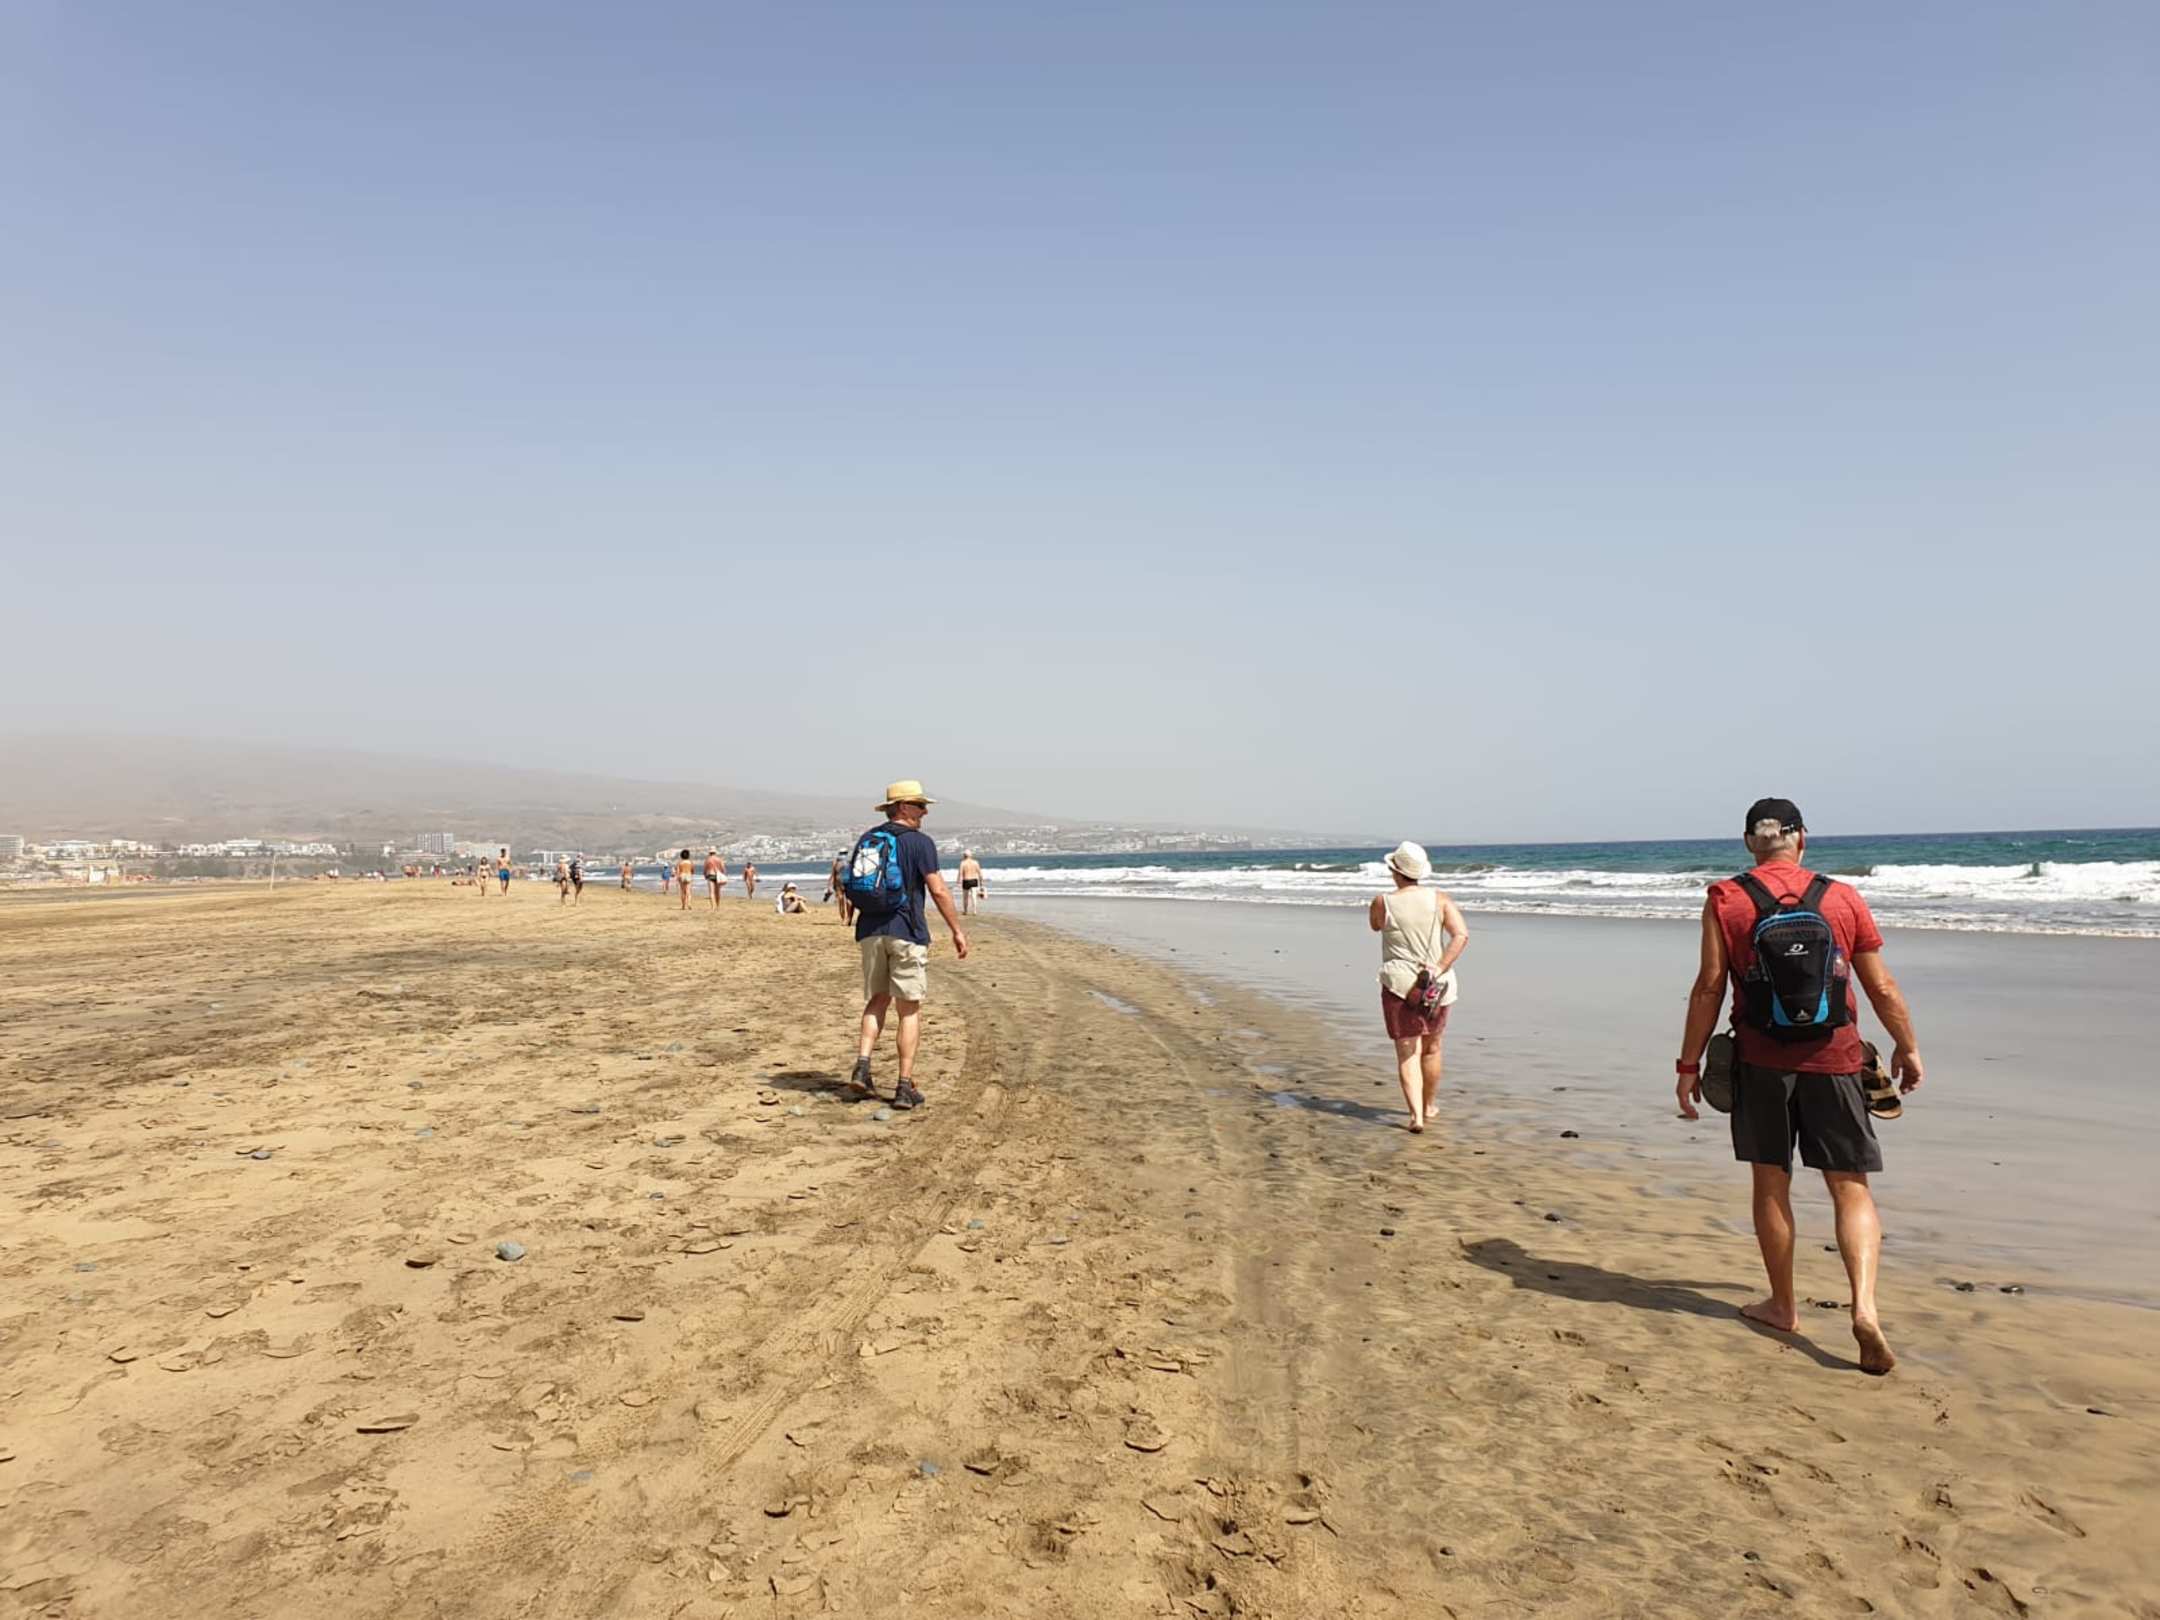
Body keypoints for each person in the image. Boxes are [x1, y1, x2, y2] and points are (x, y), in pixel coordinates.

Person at [1676, 798, 1924, 1377]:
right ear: (1802, 838)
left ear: (1748, 843)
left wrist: (1689, 1064)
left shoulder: (1726, 898)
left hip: (1760, 1060)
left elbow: (1710, 985)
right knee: (1850, 1187)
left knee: (1771, 1182)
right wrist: (1907, 1046)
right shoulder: (1841, 897)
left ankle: (1783, 1306)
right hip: (1836, 1059)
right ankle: (1864, 1308)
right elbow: (1881, 987)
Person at [845, 781, 969, 1110]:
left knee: (877, 999)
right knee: (909, 1009)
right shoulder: (920, 843)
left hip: (870, 930)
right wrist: (957, 930)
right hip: (906, 931)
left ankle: (862, 1068)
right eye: (920, 805)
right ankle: (903, 1086)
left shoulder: (868, 838)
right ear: (903, 807)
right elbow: (938, 890)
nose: (925, 812)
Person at [1368, 842, 1469, 1134]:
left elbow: (1375, 926)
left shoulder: (1382, 902)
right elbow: (1461, 935)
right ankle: (1429, 1106)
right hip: (1437, 984)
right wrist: (1440, 966)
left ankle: (1416, 1117)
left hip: (1399, 983)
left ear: (1394, 871)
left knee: (1407, 1051)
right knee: (1432, 1048)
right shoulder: (1440, 899)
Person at [828, 849, 854, 925]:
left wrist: (829, 884)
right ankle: (849, 918)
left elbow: (833, 874)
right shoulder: (850, 861)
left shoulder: (836, 861)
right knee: (849, 900)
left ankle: (844, 919)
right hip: (849, 881)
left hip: (839, 882)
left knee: (841, 900)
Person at [957, 850, 985, 914]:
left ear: (964, 856)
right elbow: (980, 873)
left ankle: (965, 911)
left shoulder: (963, 863)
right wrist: (981, 881)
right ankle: (974, 911)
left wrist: (958, 881)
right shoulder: (975, 862)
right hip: (974, 880)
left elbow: (960, 873)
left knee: (965, 897)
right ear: (971, 855)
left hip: (966, 880)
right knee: (974, 896)